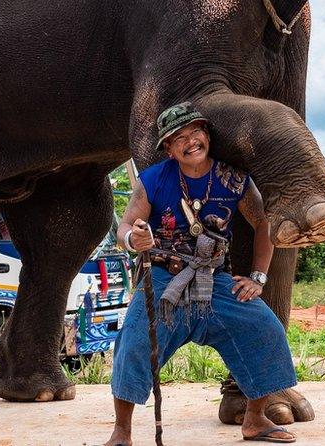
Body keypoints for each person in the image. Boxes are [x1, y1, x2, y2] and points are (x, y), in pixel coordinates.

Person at [104, 102, 297, 445]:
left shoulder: (233, 179)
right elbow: (124, 227)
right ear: (168, 148)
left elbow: (263, 221)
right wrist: (136, 237)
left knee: (264, 328)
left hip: (216, 279)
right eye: (179, 138)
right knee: (135, 342)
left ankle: (255, 420)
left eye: (196, 132)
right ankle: (122, 433)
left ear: (206, 134)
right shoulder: (153, 180)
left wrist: (258, 278)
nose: (190, 141)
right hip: (164, 279)